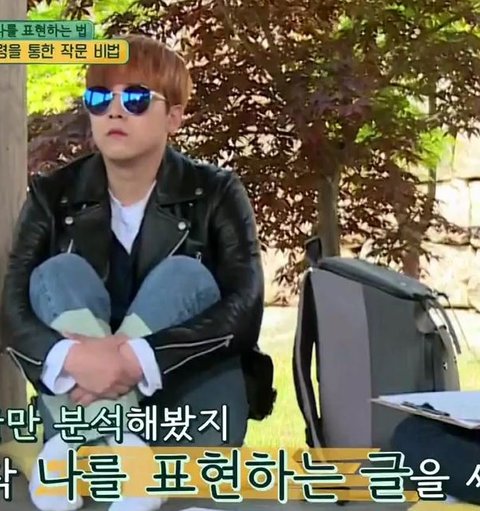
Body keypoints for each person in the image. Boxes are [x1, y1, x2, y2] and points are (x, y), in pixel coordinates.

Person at [1, 34, 268, 511]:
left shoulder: (217, 193)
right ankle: (115, 443)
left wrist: (133, 360)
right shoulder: (52, 195)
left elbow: (244, 310)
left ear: (174, 117)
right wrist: (74, 359)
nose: (115, 112)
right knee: (58, 273)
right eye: (100, 98)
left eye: (137, 98)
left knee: (184, 277)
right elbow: (12, 309)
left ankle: (90, 442)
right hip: (75, 397)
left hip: (186, 408)